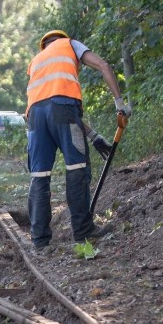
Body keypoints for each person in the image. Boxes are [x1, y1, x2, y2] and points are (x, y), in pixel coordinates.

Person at [25, 29, 131, 250]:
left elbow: (51, 105)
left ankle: (40, 241)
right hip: (61, 110)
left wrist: (93, 137)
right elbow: (104, 66)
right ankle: (82, 231)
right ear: (61, 39)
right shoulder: (69, 44)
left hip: (35, 118)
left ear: (45, 45)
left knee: (39, 176)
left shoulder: (37, 61)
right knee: (77, 168)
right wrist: (119, 103)